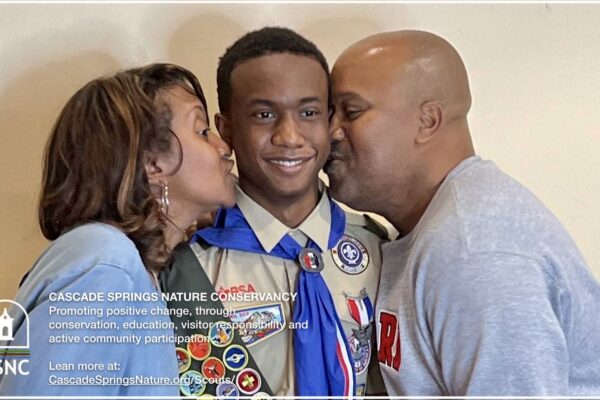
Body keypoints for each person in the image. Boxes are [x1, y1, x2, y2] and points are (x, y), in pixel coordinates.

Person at [325, 29, 600, 396]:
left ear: (427, 121)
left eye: (351, 111)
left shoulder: (475, 250)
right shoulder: (441, 230)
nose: (328, 132)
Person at [161, 27, 388, 397]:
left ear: (329, 123)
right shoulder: (183, 264)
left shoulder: (380, 249)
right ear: (226, 130)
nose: (290, 136)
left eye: (309, 112)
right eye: (264, 114)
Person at [0, 64, 236, 396]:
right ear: (152, 164)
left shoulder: (124, 267)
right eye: (201, 131)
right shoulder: (108, 265)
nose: (224, 147)